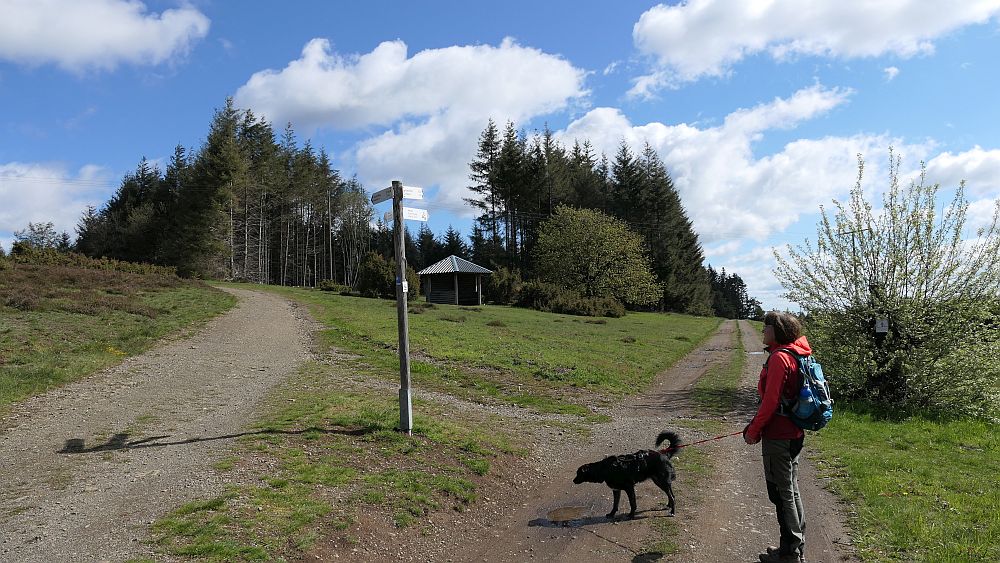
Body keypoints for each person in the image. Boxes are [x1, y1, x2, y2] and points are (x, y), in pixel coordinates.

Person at [744, 311, 810, 563]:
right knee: (790, 490)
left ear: (777, 330)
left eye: (766, 326)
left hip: (779, 436)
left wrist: (753, 430)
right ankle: (791, 547)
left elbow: (770, 402)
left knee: (782, 494)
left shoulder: (780, 358)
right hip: (794, 432)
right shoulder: (796, 352)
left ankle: (791, 553)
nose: (762, 331)